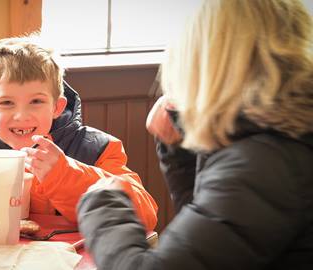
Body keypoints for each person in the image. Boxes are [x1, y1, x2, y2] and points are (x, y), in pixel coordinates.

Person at [77, 0, 313, 269]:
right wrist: (180, 148)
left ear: (210, 61)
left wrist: (104, 205)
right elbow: (215, 244)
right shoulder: (280, 137)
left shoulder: (264, 163)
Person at [0, 36, 158, 229]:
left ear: (57, 107)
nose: (21, 116)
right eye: (7, 103)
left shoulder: (97, 151)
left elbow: (144, 216)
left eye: (36, 102)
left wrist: (63, 173)